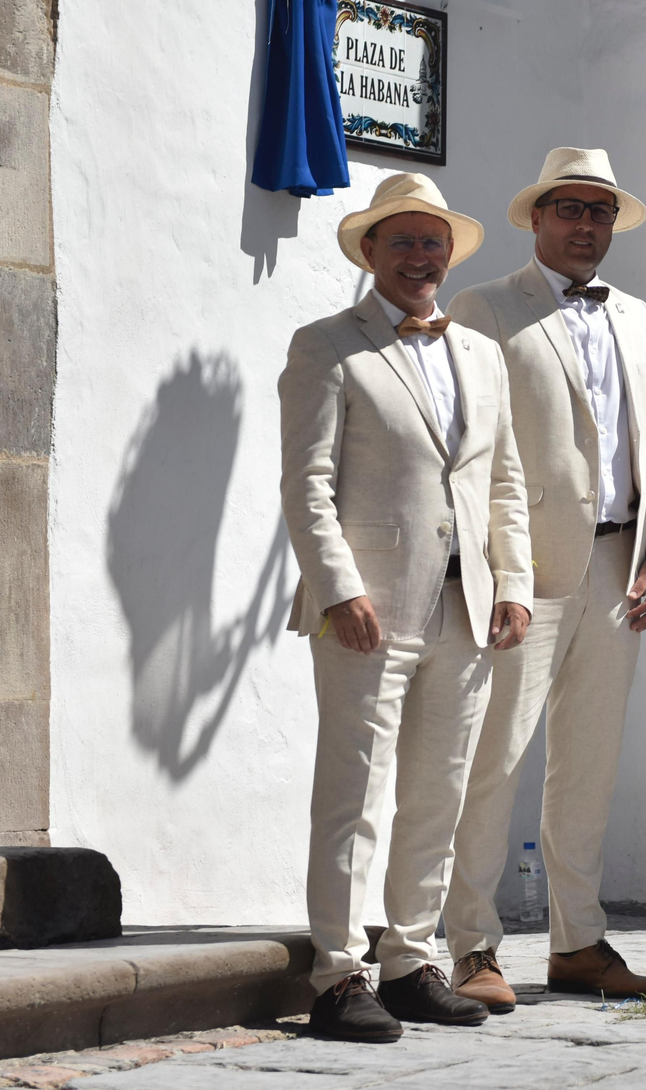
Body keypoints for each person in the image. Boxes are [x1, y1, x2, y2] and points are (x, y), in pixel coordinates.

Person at [279, 172, 534, 1042]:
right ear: (369, 252)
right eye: (404, 242)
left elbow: (504, 482)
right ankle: (338, 973)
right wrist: (339, 587)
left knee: (439, 790)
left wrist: (516, 585)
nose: (422, 258)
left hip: (467, 604)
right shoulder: (326, 346)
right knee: (353, 790)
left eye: (434, 243)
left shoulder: (481, 354)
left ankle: (413, 958)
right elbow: (306, 485)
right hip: (369, 609)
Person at [442, 148, 646, 1008]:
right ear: (538, 217)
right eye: (571, 209)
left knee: (589, 765)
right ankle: (471, 942)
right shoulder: (484, 307)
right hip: (526, 569)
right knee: (495, 757)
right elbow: (468, 452)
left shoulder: (639, 316)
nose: (586, 225)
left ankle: (579, 941)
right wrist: (491, 567)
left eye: (601, 212)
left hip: (620, 566)